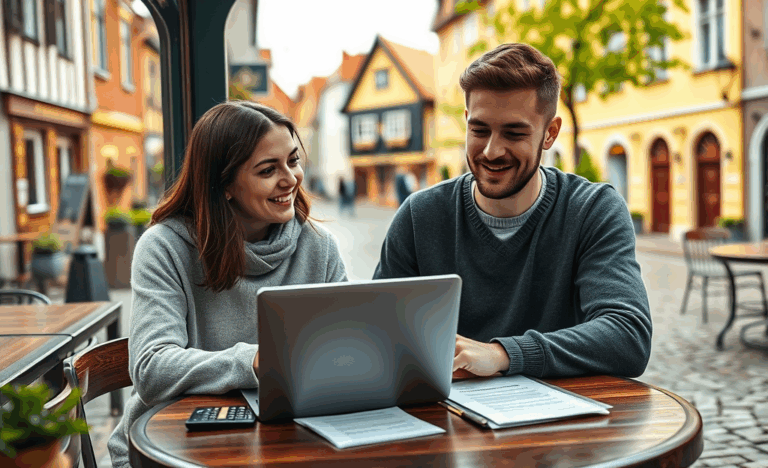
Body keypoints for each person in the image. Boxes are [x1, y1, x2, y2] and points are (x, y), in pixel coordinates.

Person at [373, 43, 651, 380]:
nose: (491, 151)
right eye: (479, 130)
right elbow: (380, 337)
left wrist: (503, 354)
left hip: (565, 425)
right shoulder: (420, 217)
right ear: (466, 122)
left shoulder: (592, 211)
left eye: (514, 133)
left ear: (550, 133)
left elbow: (628, 336)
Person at [108, 101, 347, 468]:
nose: (291, 179)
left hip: (281, 443)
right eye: (268, 170)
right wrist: (254, 359)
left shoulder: (318, 246)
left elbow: (344, 347)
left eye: (293, 160)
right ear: (225, 185)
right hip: (169, 450)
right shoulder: (164, 248)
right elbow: (151, 369)